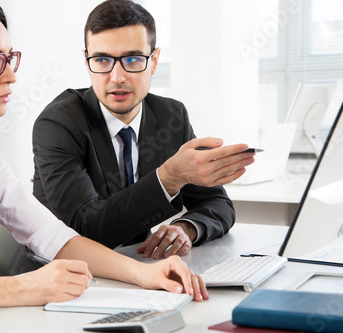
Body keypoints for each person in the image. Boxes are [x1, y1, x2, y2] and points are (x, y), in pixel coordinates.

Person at [0, 0, 208, 318]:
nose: (10, 77)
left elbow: (51, 235)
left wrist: (143, 274)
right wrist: (21, 288)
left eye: (9, 59)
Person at [32, 0, 256, 259]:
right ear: (86, 61)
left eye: (133, 59)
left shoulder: (171, 116)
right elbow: (85, 229)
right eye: (102, 60)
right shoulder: (59, 123)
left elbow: (216, 203)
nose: (117, 77)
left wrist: (185, 228)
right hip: (56, 277)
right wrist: (169, 177)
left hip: (136, 268)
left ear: (154, 60)